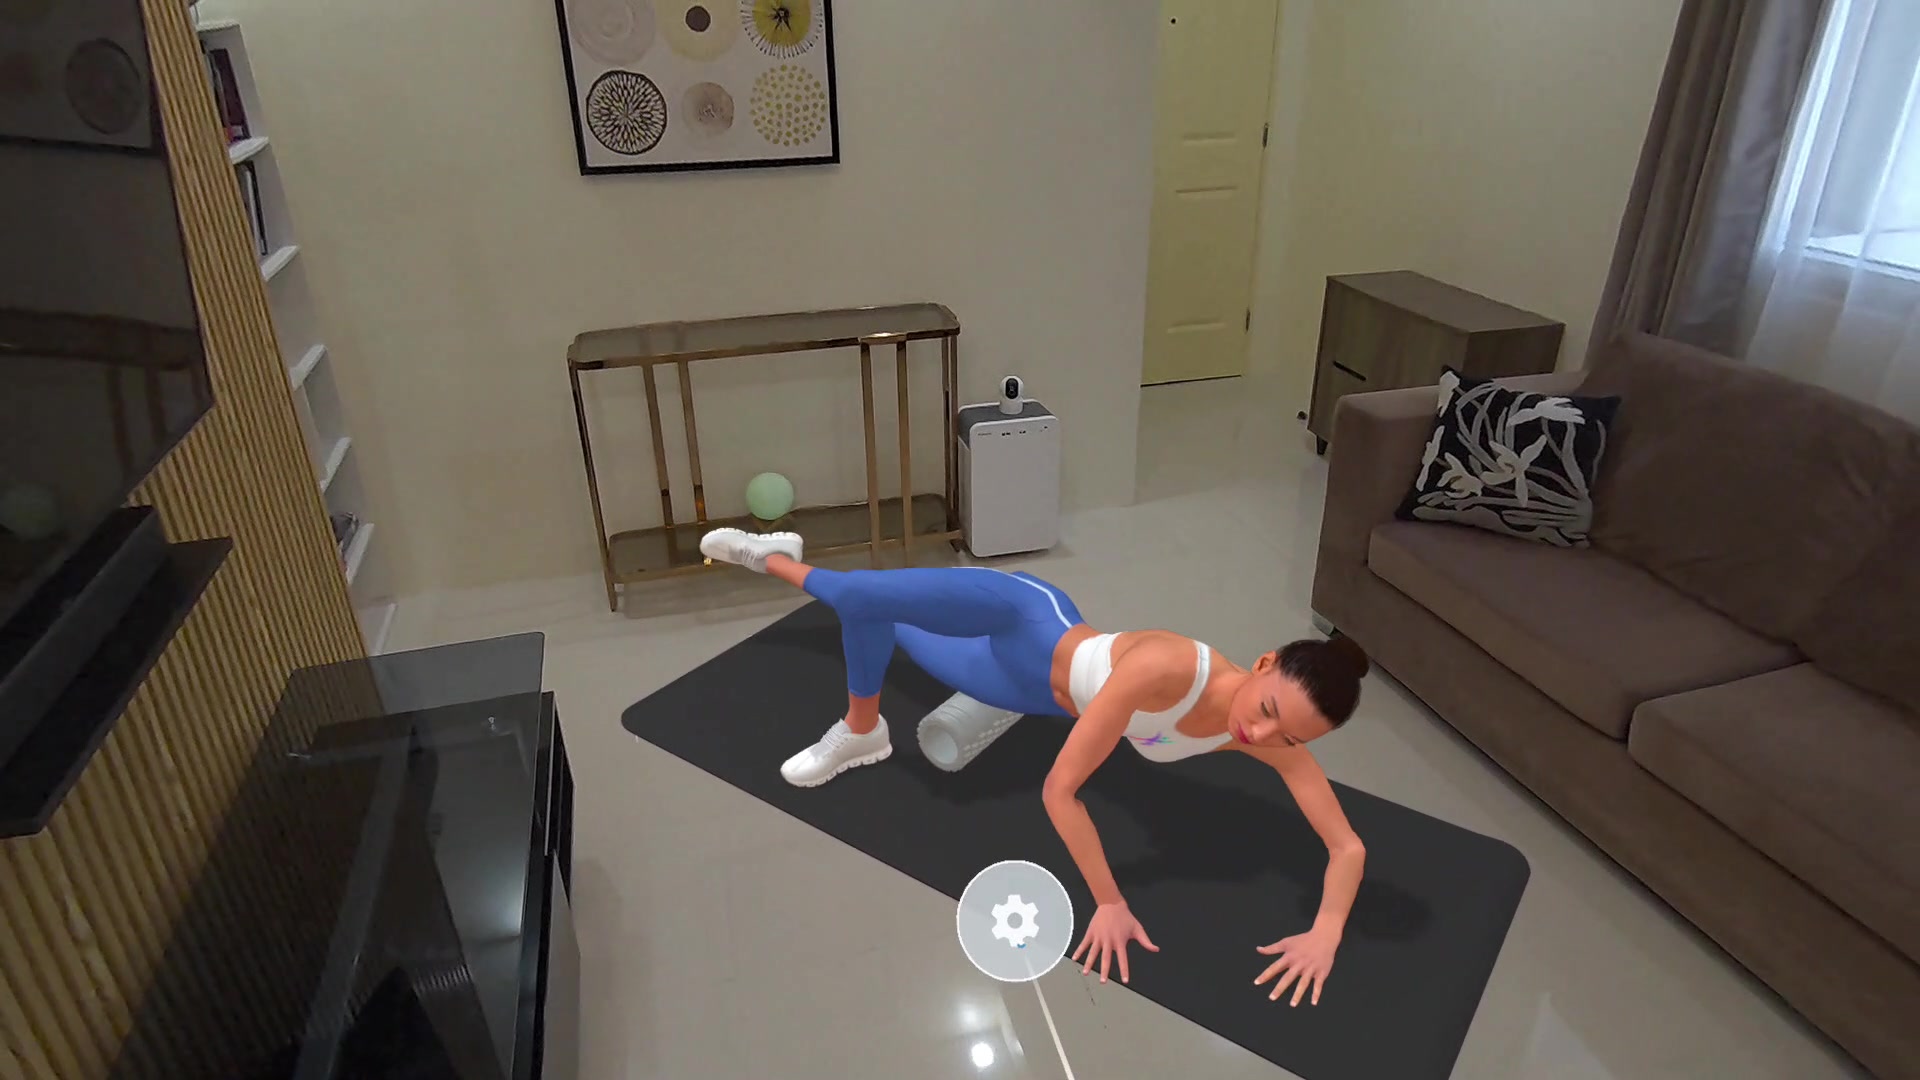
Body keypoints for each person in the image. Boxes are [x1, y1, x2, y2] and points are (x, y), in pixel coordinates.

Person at [699, 527, 1370, 1007]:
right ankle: (840, 685)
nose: (1260, 734)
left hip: (1020, 688)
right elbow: (1060, 791)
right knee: (861, 599)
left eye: (1287, 736)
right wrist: (1110, 902)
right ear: (1262, 664)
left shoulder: (1267, 740)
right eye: (1267, 709)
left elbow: (1347, 846)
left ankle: (832, 647)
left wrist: (1327, 933)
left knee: (884, 620)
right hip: (1023, 616)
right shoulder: (1167, 669)